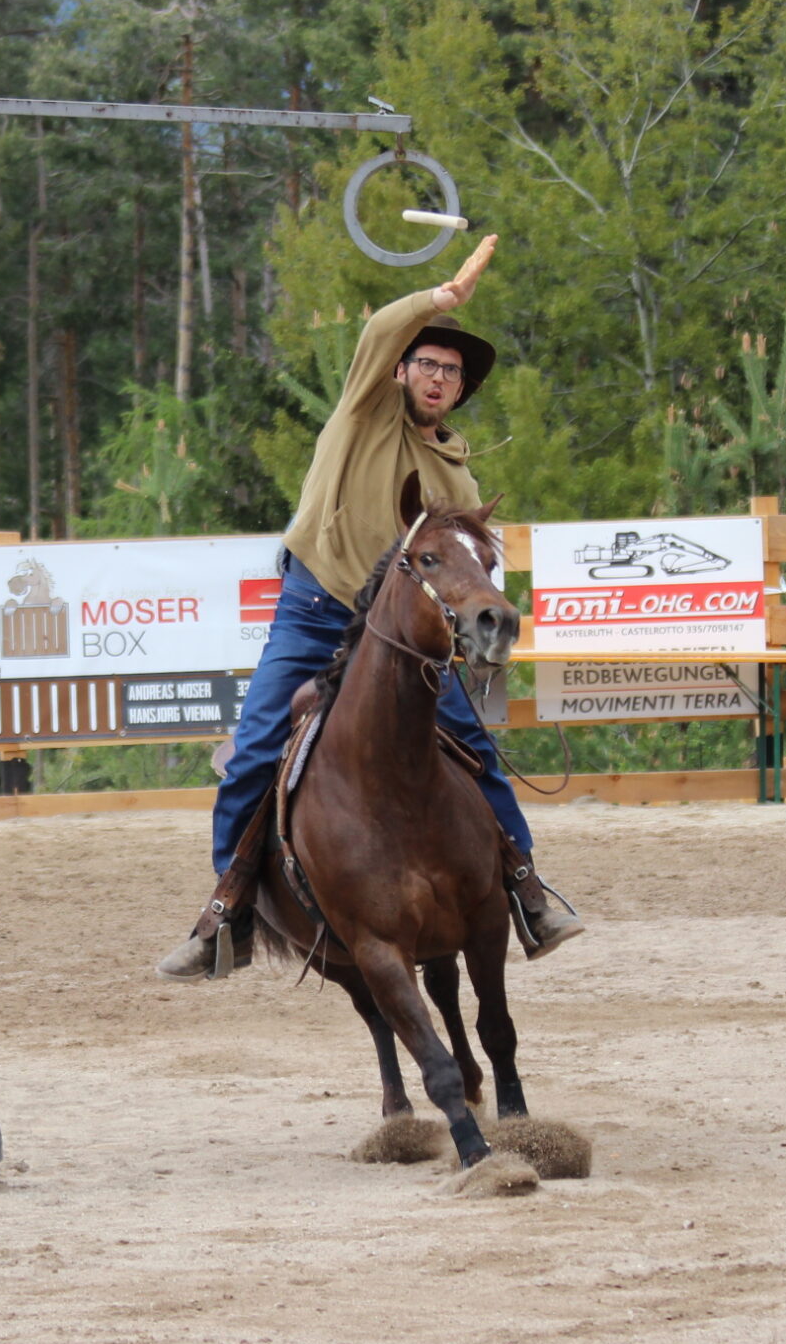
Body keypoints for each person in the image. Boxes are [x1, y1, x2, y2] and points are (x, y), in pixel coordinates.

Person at [156, 235, 583, 980]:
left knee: (474, 750)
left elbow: (453, 570)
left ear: (460, 390)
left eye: (451, 371)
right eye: (428, 363)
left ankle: (525, 889)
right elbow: (380, 328)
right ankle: (229, 912)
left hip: (397, 635)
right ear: (399, 371)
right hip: (314, 608)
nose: (439, 377)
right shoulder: (365, 411)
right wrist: (441, 299)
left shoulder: (455, 475)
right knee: (253, 752)